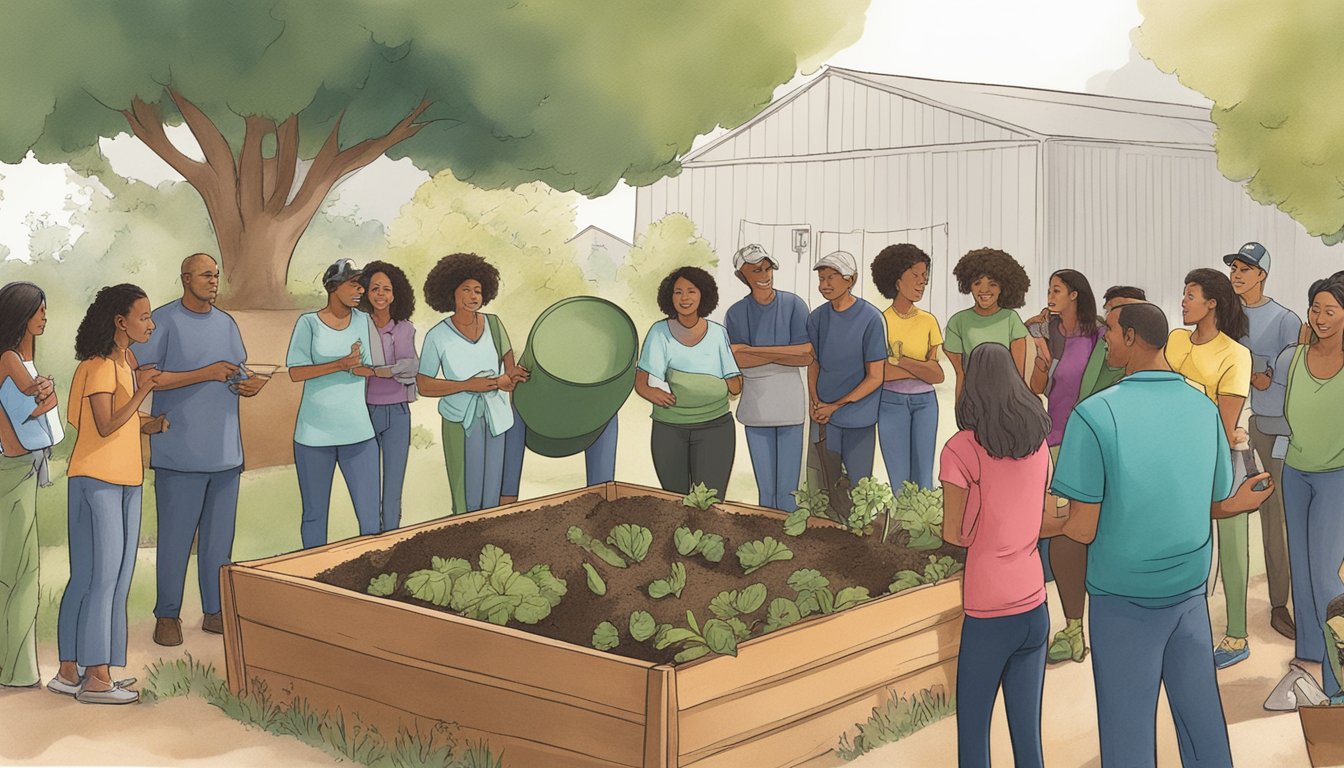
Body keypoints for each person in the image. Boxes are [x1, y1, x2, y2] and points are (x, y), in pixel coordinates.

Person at [1050, 301, 1270, 766]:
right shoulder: (1204, 410)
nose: (1104, 338)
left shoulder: (1094, 416)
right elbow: (1210, 500)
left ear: (1131, 337)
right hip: (1188, 591)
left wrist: (1030, 523)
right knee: (1202, 727)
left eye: (1110, 330)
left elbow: (1082, 530)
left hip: (1122, 598)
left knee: (1128, 733)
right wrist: (1237, 503)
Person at [131, 254, 267, 648]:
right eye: (206, 275)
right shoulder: (163, 321)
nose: (213, 281)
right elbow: (146, 377)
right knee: (175, 538)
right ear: (185, 278)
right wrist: (205, 373)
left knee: (219, 541)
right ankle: (167, 616)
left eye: (216, 275)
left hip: (226, 451)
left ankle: (214, 611)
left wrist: (249, 383)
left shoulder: (226, 323)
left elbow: (236, 371)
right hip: (180, 452)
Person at [940, 343, 1058, 768]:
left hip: (989, 608)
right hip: (1034, 604)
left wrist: (980, 504)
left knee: (974, 735)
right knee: (1028, 737)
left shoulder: (960, 449)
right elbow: (1044, 521)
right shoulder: (1038, 445)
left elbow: (955, 532)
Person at [52, 284, 169, 705]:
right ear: (120, 322)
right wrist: (141, 393)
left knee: (109, 578)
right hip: (97, 480)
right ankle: (97, 678)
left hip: (125, 479)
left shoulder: (126, 361)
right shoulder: (99, 366)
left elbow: (117, 421)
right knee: (101, 577)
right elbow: (101, 425)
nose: (151, 324)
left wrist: (147, 422)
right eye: (144, 317)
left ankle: (71, 670)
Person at [1165, 268, 1253, 669]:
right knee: (1188, 547)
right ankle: (1188, 633)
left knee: (1231, 547)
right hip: (1176, 458)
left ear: (1212, 303)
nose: (1183, 302)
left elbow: (1224, 422)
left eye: (1190, 295)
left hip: (1220, 458)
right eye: (1183, 295)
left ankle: (1237, 636)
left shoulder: (1235, 354)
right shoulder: (1175, 340)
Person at [1022, 269, 1105, 666]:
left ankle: (1092, 625)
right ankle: (1073, 627)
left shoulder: (1100, 335)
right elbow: (1039, 388)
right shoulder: (1046, 331)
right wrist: (1040, 350)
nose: (1050, 296)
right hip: (1056, 439)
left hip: (1096, 441)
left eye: (1056, 290)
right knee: (1062, 528)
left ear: (1075, 293)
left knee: (1095, 529)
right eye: (1049, 290)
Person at [1272, 276, 1344, 703]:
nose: (1319, 319)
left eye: (1330, 311)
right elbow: (1288, 417)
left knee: (1324, 574)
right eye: (1314, 309)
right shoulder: (1293, 358)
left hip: (1337, 476)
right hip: (1295, 473)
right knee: (1302, 570)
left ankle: (1338, 682)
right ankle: (1311, 655)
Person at [1226, 242, 1300, 641]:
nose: (1237, 274)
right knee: (1239, 515)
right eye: (1234, 267)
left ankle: (1281, 604)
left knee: (1278, 519)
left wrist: (1267, 375)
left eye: (1245, 268)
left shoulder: (1285, 319)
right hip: (1239, 428)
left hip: (1277, 427)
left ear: (1261, 275)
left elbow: (1295, 374)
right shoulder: (1227, 318)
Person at [417, 253, 527, 514]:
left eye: (477, 290)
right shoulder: (437, 336)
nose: (473, 296)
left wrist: (511, 379)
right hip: (460, 421)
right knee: (466, 495)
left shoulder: (494, 324)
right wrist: (467, 385)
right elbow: (423, 384)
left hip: (497, 418)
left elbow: (509, 369)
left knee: (492, 491)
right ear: (450, 293)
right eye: (466, 289)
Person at [286, 259, 383, 548]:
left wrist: (359, 367)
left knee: (370, 519)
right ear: (333, 287)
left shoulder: (364, 321)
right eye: (353, 284)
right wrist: (340, 364)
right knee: (314, 516)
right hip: (313, 436)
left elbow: (371, 366)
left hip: (359, 434)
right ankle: (314, 580)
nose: (360, 290)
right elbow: (295, 372)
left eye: (361, 285)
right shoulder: (308, 323)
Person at [634, 266, 742, 497]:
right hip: (670, 430)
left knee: (710, 500)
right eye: (678, 292)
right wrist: (654, 393)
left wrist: (716, 386)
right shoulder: (659, 332)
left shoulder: (717, 333)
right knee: (675, 500)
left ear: (703, 294)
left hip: (715, 428)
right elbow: (641, 383)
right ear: (669, 297)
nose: (684, 298)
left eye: (691, 291)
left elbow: (735, 384)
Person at [0, 282, 59, 689]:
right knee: (20, 572)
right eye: (39, 310)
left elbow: (42, 402)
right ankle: (18, 671)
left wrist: (47, 394)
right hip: (13, 468)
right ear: (21, 315)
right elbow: (29, 392)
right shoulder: (9, 358)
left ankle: (16, 665)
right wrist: (44, 391)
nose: (44, 317)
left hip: (23, 465)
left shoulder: (25, 358)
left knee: (19, 569)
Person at [725, 244, 812, 510]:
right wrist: (784, 353)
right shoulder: (736, 313)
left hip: (790, 404)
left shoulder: (794, 304)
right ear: (743, 276)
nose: (764, 275)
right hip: (756, 406)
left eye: (767, 268)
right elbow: (737, 358)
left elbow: (806, 354)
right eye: (756, 270)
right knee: (766, 491)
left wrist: (756, 351)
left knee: (788, 491)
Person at [806, 251, 887, 483]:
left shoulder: (871, 318)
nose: (825, 284)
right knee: (824, 486)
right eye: (821, 278)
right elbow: (814, 363)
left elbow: (875, 377)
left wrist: (835, 406)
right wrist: (815, 402)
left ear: (851, 280)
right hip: (824, 419)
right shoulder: (816, 318)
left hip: (858, 419)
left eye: (832, 277)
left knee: (859, 486)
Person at [871, 244, 944, 491]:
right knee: (899, 481)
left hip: (926, 404)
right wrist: (921, 367)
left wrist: (900, 361)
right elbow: (881, 373)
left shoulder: (929, 321)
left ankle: (924, 528)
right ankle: (901, 528)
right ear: (896, 279)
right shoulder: (879, 321)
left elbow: (937, 375)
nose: (922, 282)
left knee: (925, 478)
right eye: (915, 275)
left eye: (924, 276)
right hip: (890, 403)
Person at [358, 260, 419, 532]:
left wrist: (380, 371)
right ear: (365, 292)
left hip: (397, 413)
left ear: (396, 294)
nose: (381, 294)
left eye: (387, 289)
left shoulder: (405, 328)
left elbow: (411, 367)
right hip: (364, 412)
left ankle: (391, 538)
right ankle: (368, 542)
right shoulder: (358, 326)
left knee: (393, 485)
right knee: (367, 484)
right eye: (375, 288)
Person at [943, 248, 1030, 402]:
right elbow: (960, 374)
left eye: (992, 284)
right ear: (969, 285)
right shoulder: (958, 322)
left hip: (1006, 400)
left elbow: (1018, 376)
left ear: (1003, 287)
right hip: (973, 400)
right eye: (977, 283)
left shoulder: (1011, 319)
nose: (984, 290)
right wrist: (960, 411)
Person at [1075, 285, 1148, 401]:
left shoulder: (1145, 351)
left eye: (1118, 309)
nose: (1110, 315)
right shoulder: (1100, 338)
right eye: (1108, 310)